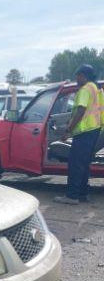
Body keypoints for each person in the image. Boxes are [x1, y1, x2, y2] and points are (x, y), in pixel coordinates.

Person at [54, 64, 102, 204]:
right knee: (84, 164)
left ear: (83, 76)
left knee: (75, 165)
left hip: (84, 132)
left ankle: (72, 196)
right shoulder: (97, 89)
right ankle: (83, 194)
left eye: (78, 76)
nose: (77, 79)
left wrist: (68, 131)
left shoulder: (85, 90)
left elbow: (81, 111)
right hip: (94, 130)